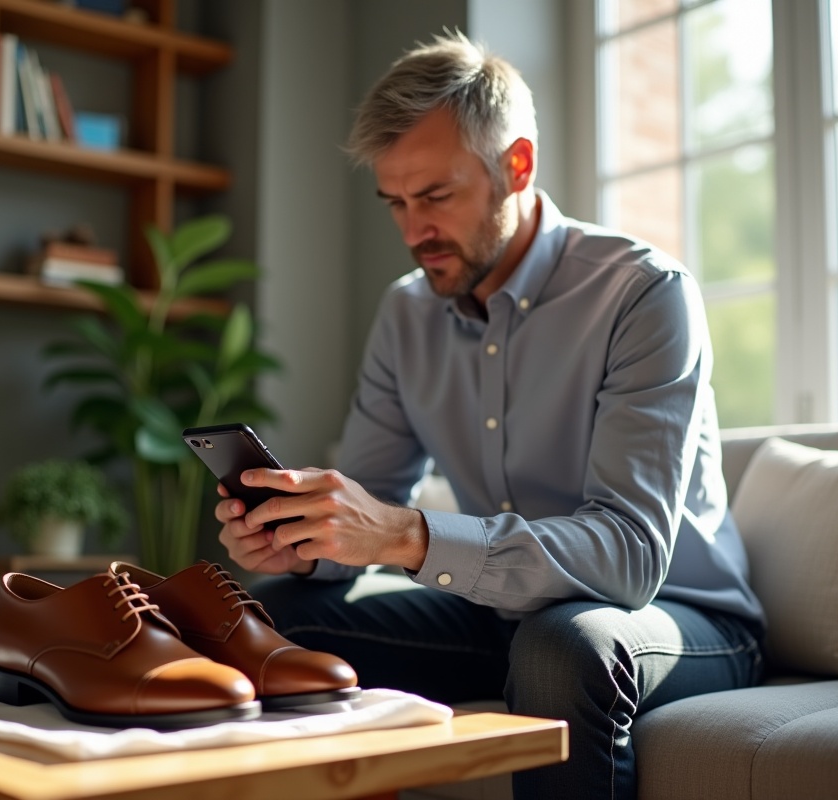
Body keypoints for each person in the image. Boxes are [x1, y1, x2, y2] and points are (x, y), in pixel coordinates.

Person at [215, 33, 765, 800]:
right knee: (271, 623)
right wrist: (307, 540)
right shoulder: (407, 312)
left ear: (517, 167)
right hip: (500, 612)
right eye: (396, 203)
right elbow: (370, 495)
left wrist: (406, 535)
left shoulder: (643, 293)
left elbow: (628, 558)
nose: (413, 232)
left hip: (677, 618)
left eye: (436, 196)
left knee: (562, 644)